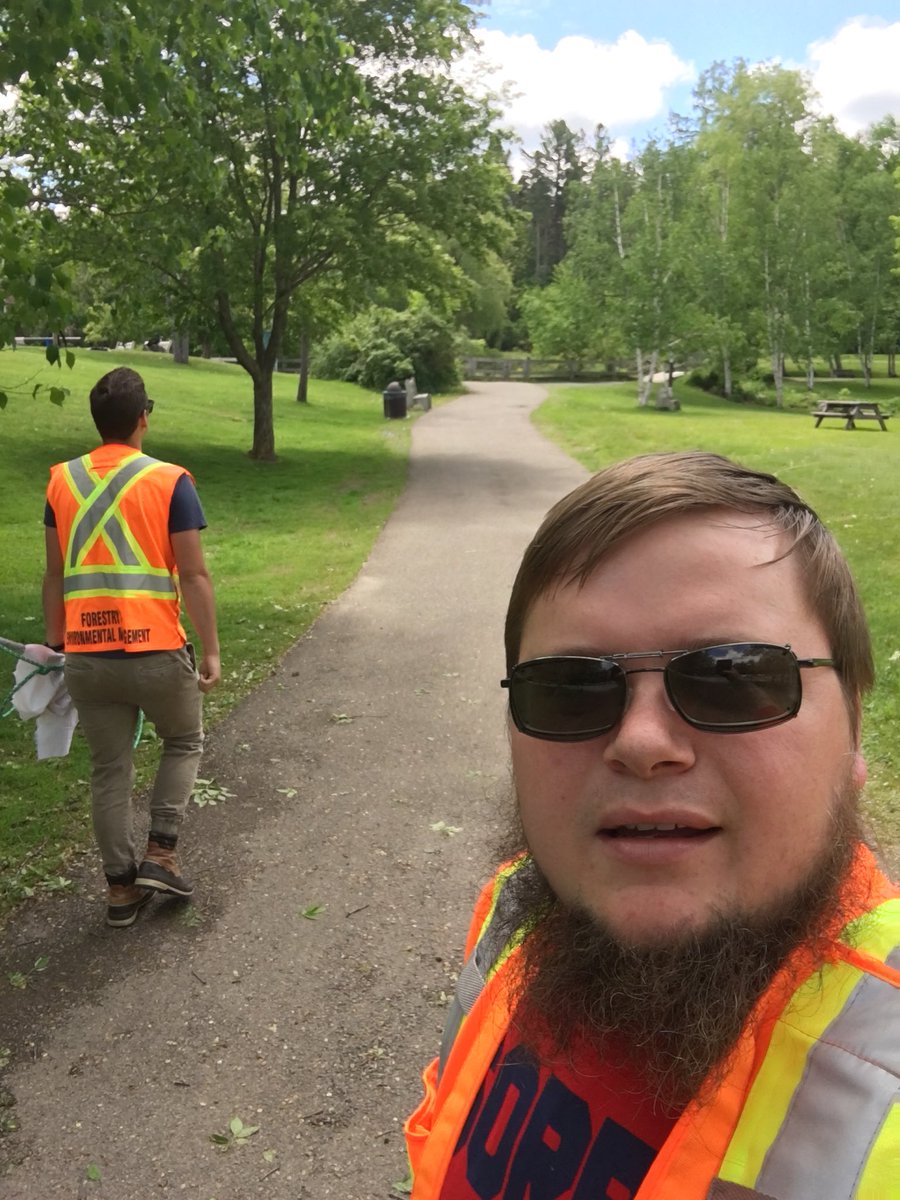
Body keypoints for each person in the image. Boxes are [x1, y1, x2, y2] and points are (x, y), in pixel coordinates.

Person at [405, 451, 900, 1199]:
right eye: (570, 688)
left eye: (732, 676)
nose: (640, 743)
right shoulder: (515, 911)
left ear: (856, 726)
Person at [42, 367, 221, 928]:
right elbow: (193, 575)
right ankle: (161, 854)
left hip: (87, 660)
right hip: (155, 651)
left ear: (99, 421)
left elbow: (53, 575)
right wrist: (210, 649)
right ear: (144, 415)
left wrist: (55, 642)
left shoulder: (61, 481)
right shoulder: (170, 481)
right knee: (184, 740)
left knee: (108, 769)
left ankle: (121, 889)